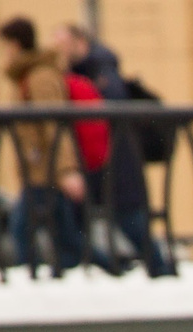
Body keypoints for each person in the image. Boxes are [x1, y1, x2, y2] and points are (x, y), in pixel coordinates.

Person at [56, 21, 175, 278]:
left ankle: (157, 272)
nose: (59, 49)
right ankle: (117, 270)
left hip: (115, 164)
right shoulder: (82, 73)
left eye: (63, 43)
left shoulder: (100, 70)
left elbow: (112, 108)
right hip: (98, 163)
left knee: (130, 222)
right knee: (75, 224)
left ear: (80, 42)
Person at [0, 16, 87, 276]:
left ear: (15, 44)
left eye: (7, 45)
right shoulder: (28, 74)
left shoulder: (39, 76)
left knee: (21, 228)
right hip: (38, 168)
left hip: (44, 170)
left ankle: (32, 280)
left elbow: (55, 126)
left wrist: (67, 170)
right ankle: (113, 271)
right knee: (68, 238)